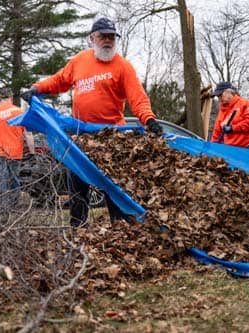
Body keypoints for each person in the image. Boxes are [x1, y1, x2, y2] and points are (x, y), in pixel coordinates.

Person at [21, 17, 162, 227]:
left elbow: (138, 98)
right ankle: (78, 227)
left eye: (111, 37)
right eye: (103, 36)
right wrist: (37, 89)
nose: (107, 41)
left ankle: (120, 227)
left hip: (111, 136)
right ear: (91, 38)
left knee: (113, 185)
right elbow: (60, 80)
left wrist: (149, 119)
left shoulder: (123, 67)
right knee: (76, 180)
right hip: (81, 135)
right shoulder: (80, 61)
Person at [0, 90, 35, 207]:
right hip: (15, 152)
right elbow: (28, 133)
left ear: (0, 98)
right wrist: (32, 152)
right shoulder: (20, 112)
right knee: (14, 179)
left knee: (0, 178)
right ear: (11, 97)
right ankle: (14, 204)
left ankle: (2, 206)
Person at [210, 82, 249, 150]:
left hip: (248, 145)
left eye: (220, 95)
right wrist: (212, 148)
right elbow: (216, 132)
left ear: (229, 92)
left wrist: (232, 128)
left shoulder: (244, 104)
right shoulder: (222, 111)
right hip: (232, 148)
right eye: (217, 96)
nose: (219, 98)